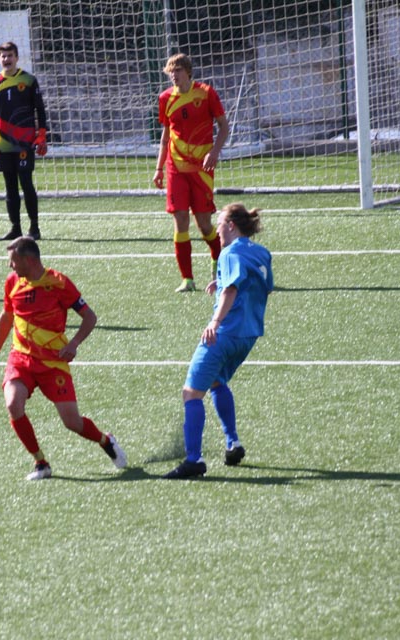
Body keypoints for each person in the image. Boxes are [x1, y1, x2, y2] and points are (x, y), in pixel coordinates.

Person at [0, 236, 127, 480]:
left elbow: (90, 317)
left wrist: (74, 344)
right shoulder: (12, 282)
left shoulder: (59, 283)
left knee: (72, 422)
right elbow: (6, 317)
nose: (9, 266)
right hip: (21, 358)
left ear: (28, 260)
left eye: (13, 260)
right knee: (13, 404)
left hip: (53, 362)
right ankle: (41, 463)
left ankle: (105, 440)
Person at [164, 203, 273, 479]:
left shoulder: (229, 252)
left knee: (191, 393)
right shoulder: (261, 253)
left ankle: (194, 460)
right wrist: (220, 283)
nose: (217, 229)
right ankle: (232, 442)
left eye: (220, 223)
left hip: (225, 333)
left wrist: (215, 322)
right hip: (248, 335)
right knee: (216, 381)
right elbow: (260, 285)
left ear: (231, 226)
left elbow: (233, 289)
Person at [152, 52, 229, 293]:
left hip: (202, 169)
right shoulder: (165, 98)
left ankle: (218, 262)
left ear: (187, 71)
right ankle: (187, 279)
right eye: (170, 72)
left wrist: (214, 152)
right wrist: (159, 168)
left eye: (177, 71)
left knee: (204, 225)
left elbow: (224, 127)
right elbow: (166, 137)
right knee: (180, 220)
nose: (173, 76)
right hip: (175, 167)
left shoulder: (206, 93)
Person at [0, 41, 48, 241]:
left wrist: (42, 136)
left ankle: (34, 227)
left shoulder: (29, 80)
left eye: (10, 56)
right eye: (3, 56)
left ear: (17, 58)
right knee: (10, 186)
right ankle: (15, 228)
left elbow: (40, 110)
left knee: (26, 183)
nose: (6, 59)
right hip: (3, 143)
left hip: (25, 142)